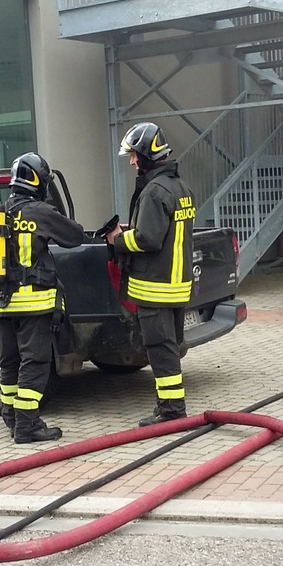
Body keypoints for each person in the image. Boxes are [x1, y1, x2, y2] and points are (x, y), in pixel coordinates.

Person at [106, 122, 195, 427]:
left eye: (133, 155)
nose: (131, 161)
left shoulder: (154, 191)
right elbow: (164, 234)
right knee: (170, 348)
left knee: (160, 350)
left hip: (155, 288)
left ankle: (172, 410)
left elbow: (149, 239)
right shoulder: (179, 187)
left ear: (146, 154)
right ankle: (170, 405)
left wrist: (117, 240)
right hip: (177, 285)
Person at [0, 152, 86, 444]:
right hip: (34, 303)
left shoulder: (0, 212)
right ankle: (27, 425)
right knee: (34, 363)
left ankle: (11, 417)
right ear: (38, 181)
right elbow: (74, 236)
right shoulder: (40, 212)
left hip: (4, 303)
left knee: (9, 362)